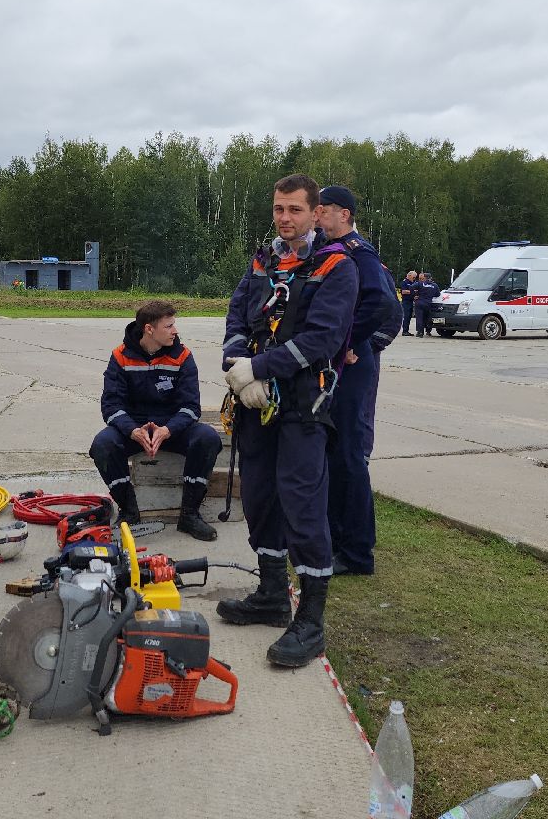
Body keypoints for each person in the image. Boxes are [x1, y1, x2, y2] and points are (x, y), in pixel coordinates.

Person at [217, 174, 359, 668]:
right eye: (279, 209)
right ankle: (272, 594)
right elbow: (237, 317)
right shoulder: (263, 262)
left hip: (303, 408)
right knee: (260, 497)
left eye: (295, 210)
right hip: (256, 406)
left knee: (302, 503)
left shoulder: (337, 267)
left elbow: (323, 338)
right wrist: (238, 371)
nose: (285, 218)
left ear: (315, 213)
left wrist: (261, 368)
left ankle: (311, 621)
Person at [89, 301, 222, 541]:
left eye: (174, 325)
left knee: (208, 438)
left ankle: (190, 515)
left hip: (172, 427)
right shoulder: (120, 356)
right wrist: (133, 430)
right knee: (103, 445)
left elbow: (191, 407)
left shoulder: (182, 356)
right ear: (149, 329)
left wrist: (168, 430)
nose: (175, 331)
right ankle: (129, 512)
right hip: (134, 427)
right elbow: (111, 406)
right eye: (169, 326)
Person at [316, 185, 396, 577]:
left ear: (344, 214)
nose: (318, 216)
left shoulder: (359, 251)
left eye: (324, 210)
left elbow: (383, 304)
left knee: (349, 457)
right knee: (334, 453)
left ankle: (358, 553)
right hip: (339, 363)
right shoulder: (329, 250)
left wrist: (352, 341)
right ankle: (335, 541)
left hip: (352, 363)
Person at [414, 270, 440, 336]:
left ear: (425, 277)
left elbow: (411, 287)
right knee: (427, 318)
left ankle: (420, 332)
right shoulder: (435, 285)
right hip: (428, 303)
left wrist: (414, 295)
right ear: (430, 277)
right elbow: (438, 294)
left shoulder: (420, 283)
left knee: (419, 318)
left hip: (420, 302)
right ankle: (428, 331)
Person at [399, 269, 419, 336]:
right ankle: (404, 331)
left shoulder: (413, 282)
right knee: (406, 316)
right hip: (406, 301)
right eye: (413, 277)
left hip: (411, 301)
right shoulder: (404, 282)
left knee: (410, 316)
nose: (414, 278)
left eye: (415, 277)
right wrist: (413, 291)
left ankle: (406, 330)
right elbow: (403, 291)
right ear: (409, 275)